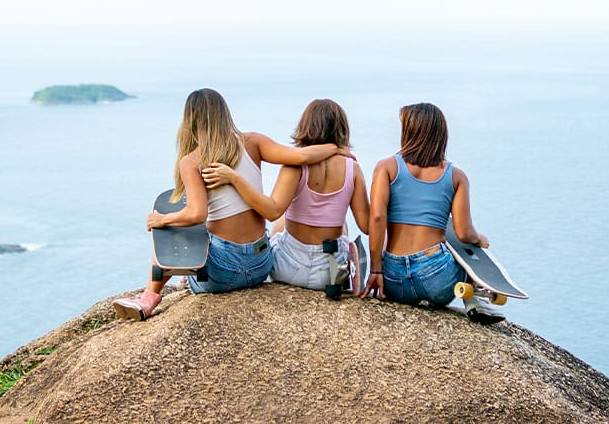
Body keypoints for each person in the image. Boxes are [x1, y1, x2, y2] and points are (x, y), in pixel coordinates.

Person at [113, 88, 348, 321]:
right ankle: (187, 277)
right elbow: (302, 157)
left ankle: (149, 297)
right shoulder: (254, 142)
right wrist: (336, 148)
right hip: (260, 266)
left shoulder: (192, 160)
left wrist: (162, 220)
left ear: (191, 121)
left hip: (222, 274)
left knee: (169, 219)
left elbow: (196, 214)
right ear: (225, 113)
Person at [201, 98, 369, 292]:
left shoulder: (295, 165)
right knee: (343, 225)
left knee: (280, 217)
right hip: (327, 274)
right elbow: (365, 225)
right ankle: (344, 262)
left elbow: (271, 211)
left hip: (288, 270)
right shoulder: (353, 168)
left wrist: (235, 179)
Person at [363, 102, 503, 324]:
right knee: (466, 258)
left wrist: (376, 270)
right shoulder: (456, 177)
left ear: (409, 132)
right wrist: (480, 239)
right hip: (437, 278)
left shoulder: (386, 167)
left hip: (394, 279)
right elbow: (464, 233)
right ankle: (476, 301)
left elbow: (378, 218)